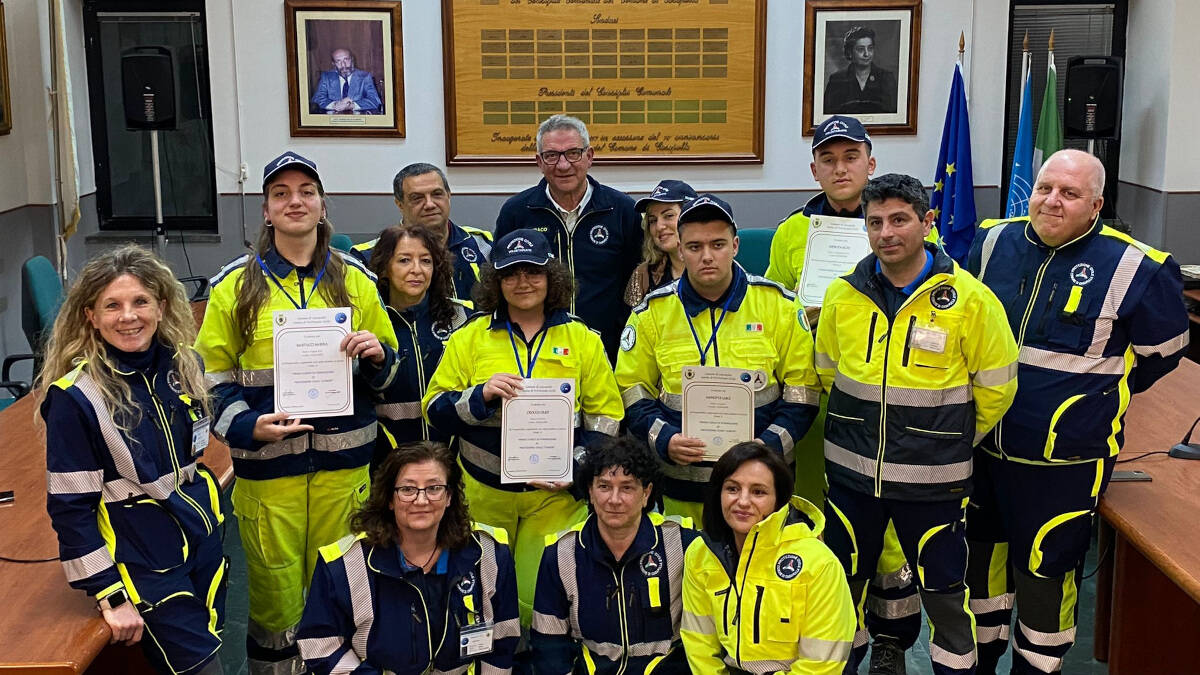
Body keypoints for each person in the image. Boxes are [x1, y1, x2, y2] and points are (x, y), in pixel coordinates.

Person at [965, 149, 1190, 674]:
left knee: (1045, 574)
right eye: (1044, 188)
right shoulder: (992, 242)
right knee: (980, 562)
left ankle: (1037, 667)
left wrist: (1098, 398)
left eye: (1069, 193)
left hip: (1064, 464)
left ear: (1096, 205)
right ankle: (979, 660)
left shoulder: (1139, 267)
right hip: (981, 447)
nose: (1052, 201)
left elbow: (1164, 351)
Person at [195, 151, 399, 674]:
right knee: (275, 609)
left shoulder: (356, 280)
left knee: (347, 595)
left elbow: (390, 366)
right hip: (269, 477)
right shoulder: (234, 285)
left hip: (344, 473)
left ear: (323, 206)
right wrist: (246, 425)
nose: (295, 202)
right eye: (281, 194)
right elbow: (209, 377)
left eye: (306, 192)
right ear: (266, 211)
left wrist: (376, 355)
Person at [814, 173, 1019, 674]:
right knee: (839, 591)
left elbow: (997, 388)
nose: (886, 233)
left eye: (899, 220)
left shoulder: (970, 299)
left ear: (927, 223)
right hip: (852, 479)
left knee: (946, 599)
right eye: (875, 222)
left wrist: (949, 440)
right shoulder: (842, 295)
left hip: (934, 483)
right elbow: (827, 371)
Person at [766, 114, 927, 674]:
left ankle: (892, 640)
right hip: (814, 395)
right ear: (814, 169)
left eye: (851, 157)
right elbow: (776, 310)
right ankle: (839, 635)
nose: (840, 169)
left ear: (870, 163)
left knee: (891, 534)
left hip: (887, 402)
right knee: (831, 521)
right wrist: (802, 316)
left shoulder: (899, 222)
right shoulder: (792, 232)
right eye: (828, 160)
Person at [423, 228, 624, 626]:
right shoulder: (470, 337)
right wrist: (480, 396)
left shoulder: (582, 339)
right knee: (479, 594)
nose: (523, 282)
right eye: (510, 274)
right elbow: (433, 408)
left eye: (533, 271)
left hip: (553, 498)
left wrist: (577, 465)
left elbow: (607, 416)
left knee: (541, 597)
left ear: (552, 277)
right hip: (483, 493)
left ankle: (538, 655)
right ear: (496, 282)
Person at [39, 245, 226, 675]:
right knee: (203, 668)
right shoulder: (75, 398)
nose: (128, 316)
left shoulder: (183, 366)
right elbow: (70, 508)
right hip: (142, 562)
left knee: (212, 641)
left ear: (161, 307)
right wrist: (110, 593)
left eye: (140, 301)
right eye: (112, 305)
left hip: (202, 536)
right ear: (91, 316)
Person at [615, 194, 821, 524]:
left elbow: (804, 392)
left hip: (761, 486)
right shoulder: (651, 314)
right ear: (680, 249)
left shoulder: (779, 306)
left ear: (735, 246)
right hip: (682, 487)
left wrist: (768, 446)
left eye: (718, 244)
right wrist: (664, 439)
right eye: (695, 247)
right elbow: (631, 390)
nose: (707, 256)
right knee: (687, 557)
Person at [297, 441, 520, 674]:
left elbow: (503, 641)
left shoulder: (489, 553)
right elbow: (319, 645)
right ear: (389, 499)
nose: (421, 500)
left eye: (434, 488)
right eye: (407, 489)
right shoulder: (343, 564)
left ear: (449, 496)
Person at [680, 441, 856, 674]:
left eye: (758, 492)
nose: (743, 501)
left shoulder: (819, 563)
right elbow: (699, 646)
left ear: (779, 499)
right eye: (732, 489)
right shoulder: (700, 553)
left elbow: (821, 665)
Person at [531, 435, 698, 675]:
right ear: (590, 492)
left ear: (646, 493)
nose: (614, 499)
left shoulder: (683, 543)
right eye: (604, 487)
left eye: (627, 487)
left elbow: (704, 637)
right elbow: (549, 646)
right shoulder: (560, 553)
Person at [495, 114, 641, 362]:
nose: (563, 165)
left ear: (589, 156)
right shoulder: (517, 212)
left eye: (573, 153)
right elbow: (500, 281)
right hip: (537, 350)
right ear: (539, 162)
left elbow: (637, 281)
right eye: (552, 155)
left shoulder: (622, 210)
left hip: (610, 347)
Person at [366, 223, 472, 473]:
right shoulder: (370, 320)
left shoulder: (462, 316)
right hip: (388, 461)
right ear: (385, 268)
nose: (416, 270)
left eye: (426, 261)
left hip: (453, 460)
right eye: (404, 260)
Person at [352, 163, 493, 300]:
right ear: (399, 204)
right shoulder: (367, 257)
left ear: (449, 196)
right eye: (417, 198)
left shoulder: (483, 245)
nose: (429, 204)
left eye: (437, 194)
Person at [624, 179, 697, 307]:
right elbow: (630, 318)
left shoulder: (717, 265)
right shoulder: (643, 275)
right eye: (653, 220)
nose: (659, 227)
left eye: (668, 216)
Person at [822, 26, 897, 115]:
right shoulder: (837, 80)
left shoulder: (886, 78)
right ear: (850, 52)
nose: (866, 54)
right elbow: (829, 115)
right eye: (861, 49)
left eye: (870, 48)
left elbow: (893, 113)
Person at [311, 47, 382, 114]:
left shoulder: (365, 77)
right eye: (338, 61)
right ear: (334, 64)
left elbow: (375, 100)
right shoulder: (327, 77)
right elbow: (317, 99)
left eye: (346, 59)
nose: (343, 65)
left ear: (352, 60)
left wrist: (351, 105)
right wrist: (336, 105)